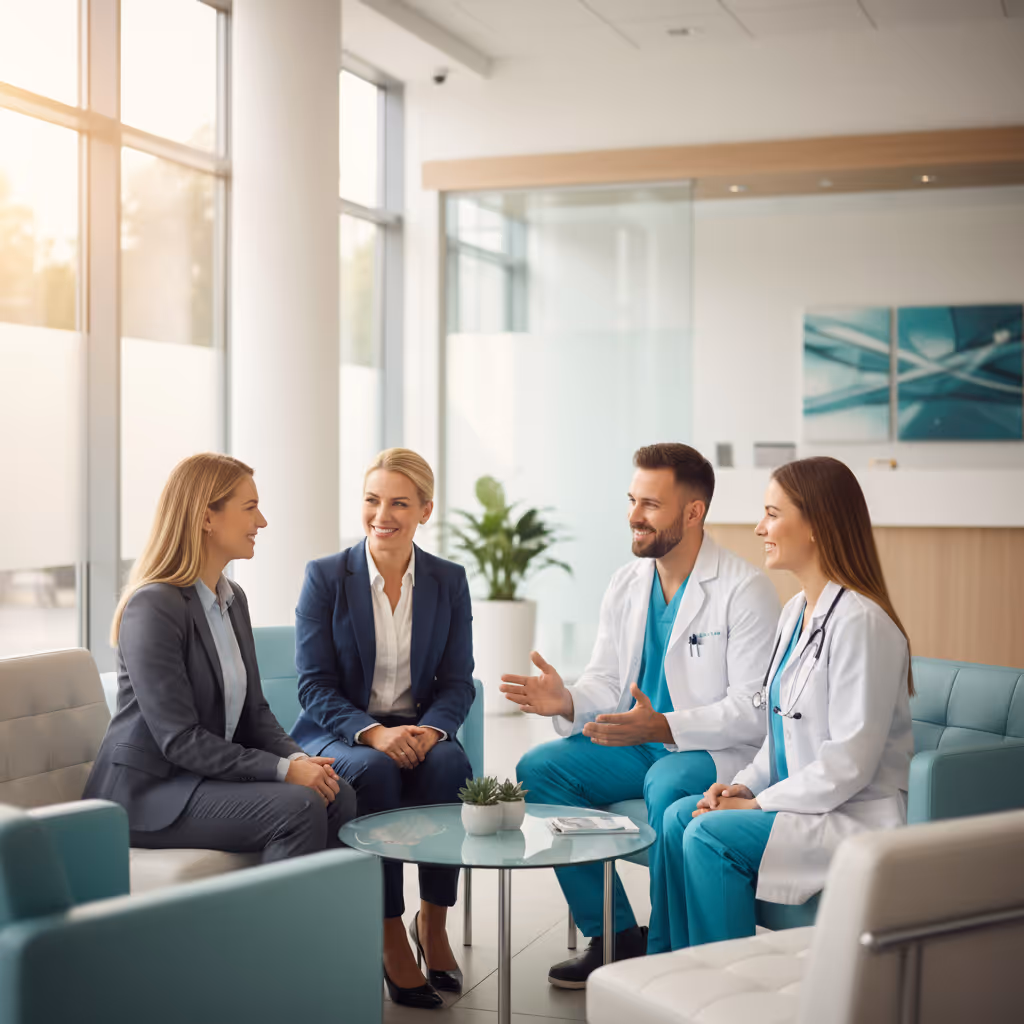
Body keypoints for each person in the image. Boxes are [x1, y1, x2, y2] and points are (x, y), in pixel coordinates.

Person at [502, 443, 780, 986]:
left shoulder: (746, 591)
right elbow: (607, 681)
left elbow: (753, 710)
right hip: (640, 739)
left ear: (693, 512)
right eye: (633, 500)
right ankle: (612, 933)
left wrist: (665, 726)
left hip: (709, 751)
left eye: (651, 504)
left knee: (665, 777)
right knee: (539, 769)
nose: (634, 516)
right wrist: (568, 700)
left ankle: (664, 956)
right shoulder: (627, 583)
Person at [655, 456, 914, 950]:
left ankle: (724, 995)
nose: (760, 528)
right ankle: (670, 974)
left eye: (772, 514)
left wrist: (758, 802)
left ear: (816, 524)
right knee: (677, 819)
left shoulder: (863, 622)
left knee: (710, 837)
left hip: (851, 815)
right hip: (802, 804)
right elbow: (777, 736)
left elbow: (849, 765)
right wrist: (734, 787)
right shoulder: (794, 612)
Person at [84, 453, 356, 863]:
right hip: (149, 795)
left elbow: (255, 713)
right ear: (206, 518)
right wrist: (282, 771)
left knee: (337, 794)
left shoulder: (232, 599)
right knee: (298, 808)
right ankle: (270, 930)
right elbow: (179, 739)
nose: (261, 522)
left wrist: (298, 759)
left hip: (201, 780)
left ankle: (316, 926)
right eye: (250, 508)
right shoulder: (153, 606)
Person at [291, 448, 475, 1011]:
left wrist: (432, 732)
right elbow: (313, 686)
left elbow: (458, 681)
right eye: (372, 500)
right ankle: (391, 933)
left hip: (418, 729)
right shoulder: (326, 577)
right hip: (340, 732)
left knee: (451, 765)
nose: (382, 514)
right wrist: (373, 733)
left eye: (399, 502)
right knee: (373, 774)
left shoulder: (447, 580)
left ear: (425, 510)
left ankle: (434, 923)